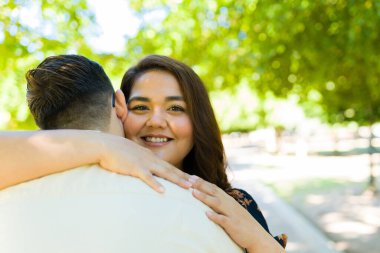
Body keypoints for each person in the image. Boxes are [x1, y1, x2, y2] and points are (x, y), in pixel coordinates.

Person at [1, 55, 287, 252]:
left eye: (176, 108)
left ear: (198, 119)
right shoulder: (80, 181)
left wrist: (263, 244)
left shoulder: (233, 205)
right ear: (121, 108)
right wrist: (103, 145)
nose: (156, 121)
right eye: (141, 108)